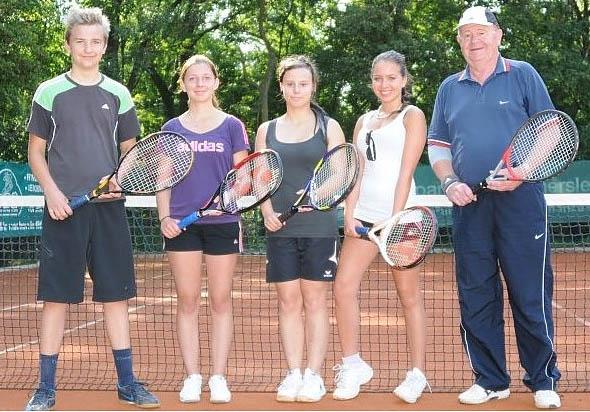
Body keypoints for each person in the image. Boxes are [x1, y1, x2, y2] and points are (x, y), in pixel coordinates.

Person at [25, 6, 160, 410]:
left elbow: (131, 150)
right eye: (81, 41)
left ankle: (127, 384)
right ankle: (45, 389)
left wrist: (121, 176)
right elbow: (36, 152)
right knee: (56, 299)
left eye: (96, 42)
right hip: (62, 209)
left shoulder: (119, 94)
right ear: (68, 45)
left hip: (108, 209)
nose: (88, 48)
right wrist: (53, 194)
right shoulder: (48, 92)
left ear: (104, 47)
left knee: (116, 297)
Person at [427, 6, 561, 409]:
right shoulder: (449, 88)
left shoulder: (523, 74)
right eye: (466, 34)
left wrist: (522, 172)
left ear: (498, 35)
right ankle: (490, 380)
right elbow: (439, 146)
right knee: (476, 295)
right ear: (459, 41)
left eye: (481, 32)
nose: (474, 40)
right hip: (469, 205)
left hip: (521, 201)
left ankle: (543, 380)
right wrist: (450, 182)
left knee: (529, 292)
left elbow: (550, 130)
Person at [331, 51, 429, 403]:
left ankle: (417, 374)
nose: (384, 84)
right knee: (343, 287)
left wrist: (395, 218)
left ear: (403, 80)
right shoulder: (363, 121)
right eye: (378, 78)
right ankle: (353, 365)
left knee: (408, 296)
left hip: (401, 221)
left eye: (391, 78)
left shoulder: (412, 116)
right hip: (365, 218)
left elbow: (406, 171)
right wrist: (349, 214)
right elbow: (357, 172)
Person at [155, 54, 249, 404]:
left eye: (205, 77)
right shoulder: (171, 128)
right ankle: (193, 376)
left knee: (221, 300)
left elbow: (243, 177)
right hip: (182, 225)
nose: (199, 83)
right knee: (188, 300)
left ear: (215, 82)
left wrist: (227, 201)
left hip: (223, 222)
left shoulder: (232, 126)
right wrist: (164, 218)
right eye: (192, 78)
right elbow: (163, 178)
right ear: (183, 84)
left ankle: (218, 377)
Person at [255, 55, 345, 403]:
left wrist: (318, 195)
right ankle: (293, 372)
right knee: (288, 301)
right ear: (281, 87)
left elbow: (340, 172)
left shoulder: (329, 127)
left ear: (313, 86)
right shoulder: (267, 130)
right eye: (290, 84)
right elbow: (261, 177)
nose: (296, 90)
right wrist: (266, 212)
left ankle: (314, 375)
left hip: (319, 227)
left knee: (315, 301)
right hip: (280, 228)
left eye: (303, 84)